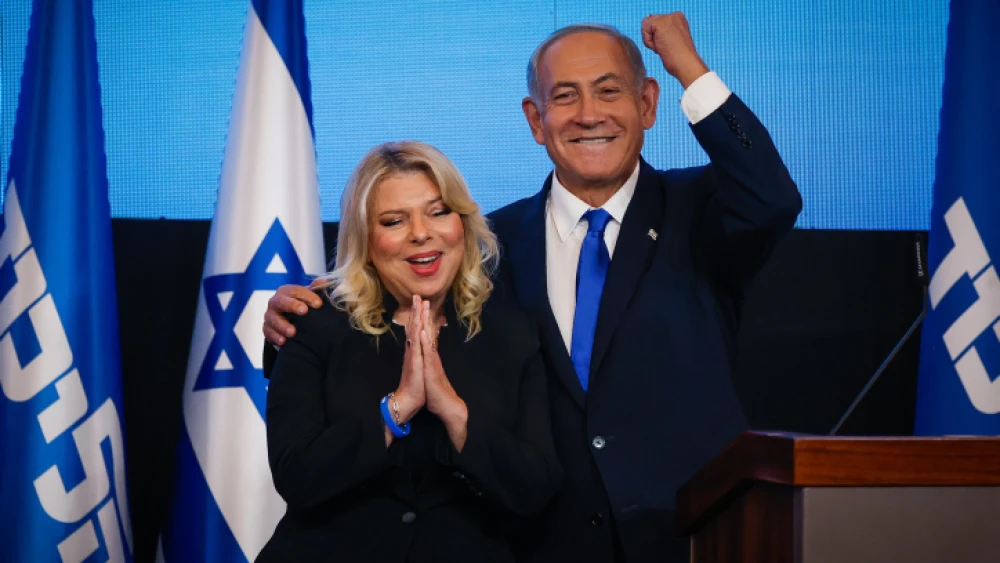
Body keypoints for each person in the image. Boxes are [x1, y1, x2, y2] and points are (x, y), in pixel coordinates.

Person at [263, 13, 801, 563]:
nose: (589, 115)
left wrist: (689, 66)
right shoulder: (483, 246)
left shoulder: (702, 212)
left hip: (687, 535)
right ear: (536, 120)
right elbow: (385, 307)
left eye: (609, 91)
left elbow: (773, 197)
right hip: (542, 542)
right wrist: (297, 312)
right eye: (564, 96)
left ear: (647, 104)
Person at [256, 141, 562, 563]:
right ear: (365, 239)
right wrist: (397, 409)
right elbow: (297, 476)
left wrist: (452, 411)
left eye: (439, 212)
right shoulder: (315, 323)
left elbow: (535, 487)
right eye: (394, 220)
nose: (421, 233)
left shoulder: (512, 332)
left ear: (462, 223)